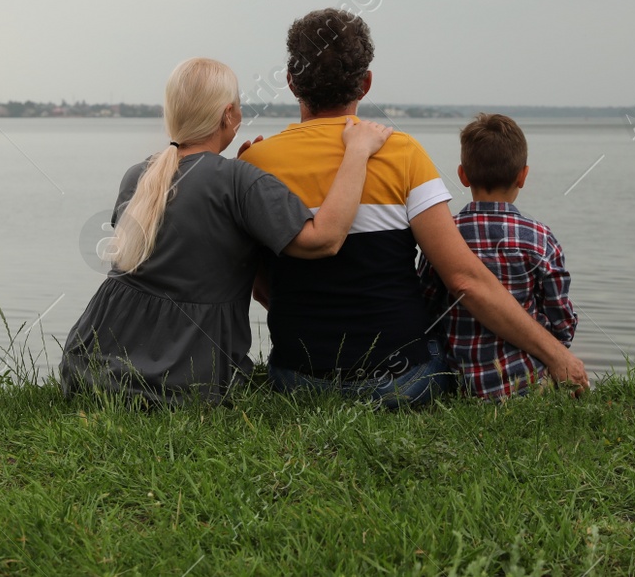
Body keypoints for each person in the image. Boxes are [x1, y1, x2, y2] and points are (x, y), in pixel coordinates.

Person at [241, 9, 588, 407]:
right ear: (366, 83)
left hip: (296, 380)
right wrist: (558, 355)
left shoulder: (255, 165)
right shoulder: (402, 153)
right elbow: (463, 280)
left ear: (291, 81)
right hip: (402, 382)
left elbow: (259, 284)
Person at [59, 56, 394, 405]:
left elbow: (187, 232)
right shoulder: (239, 182)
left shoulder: (138, 175)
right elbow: (324, 240)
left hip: (88, 367)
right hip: (180, 379)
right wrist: (357, 152)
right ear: (228, 115)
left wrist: (240, 182)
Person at [419, 113, 577, 400]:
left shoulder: (444, 237)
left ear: (462, 175)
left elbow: (427, 307)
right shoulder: (539, 239)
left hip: (458, 382)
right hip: (525, 380)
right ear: (523, 176)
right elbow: (562, 320)